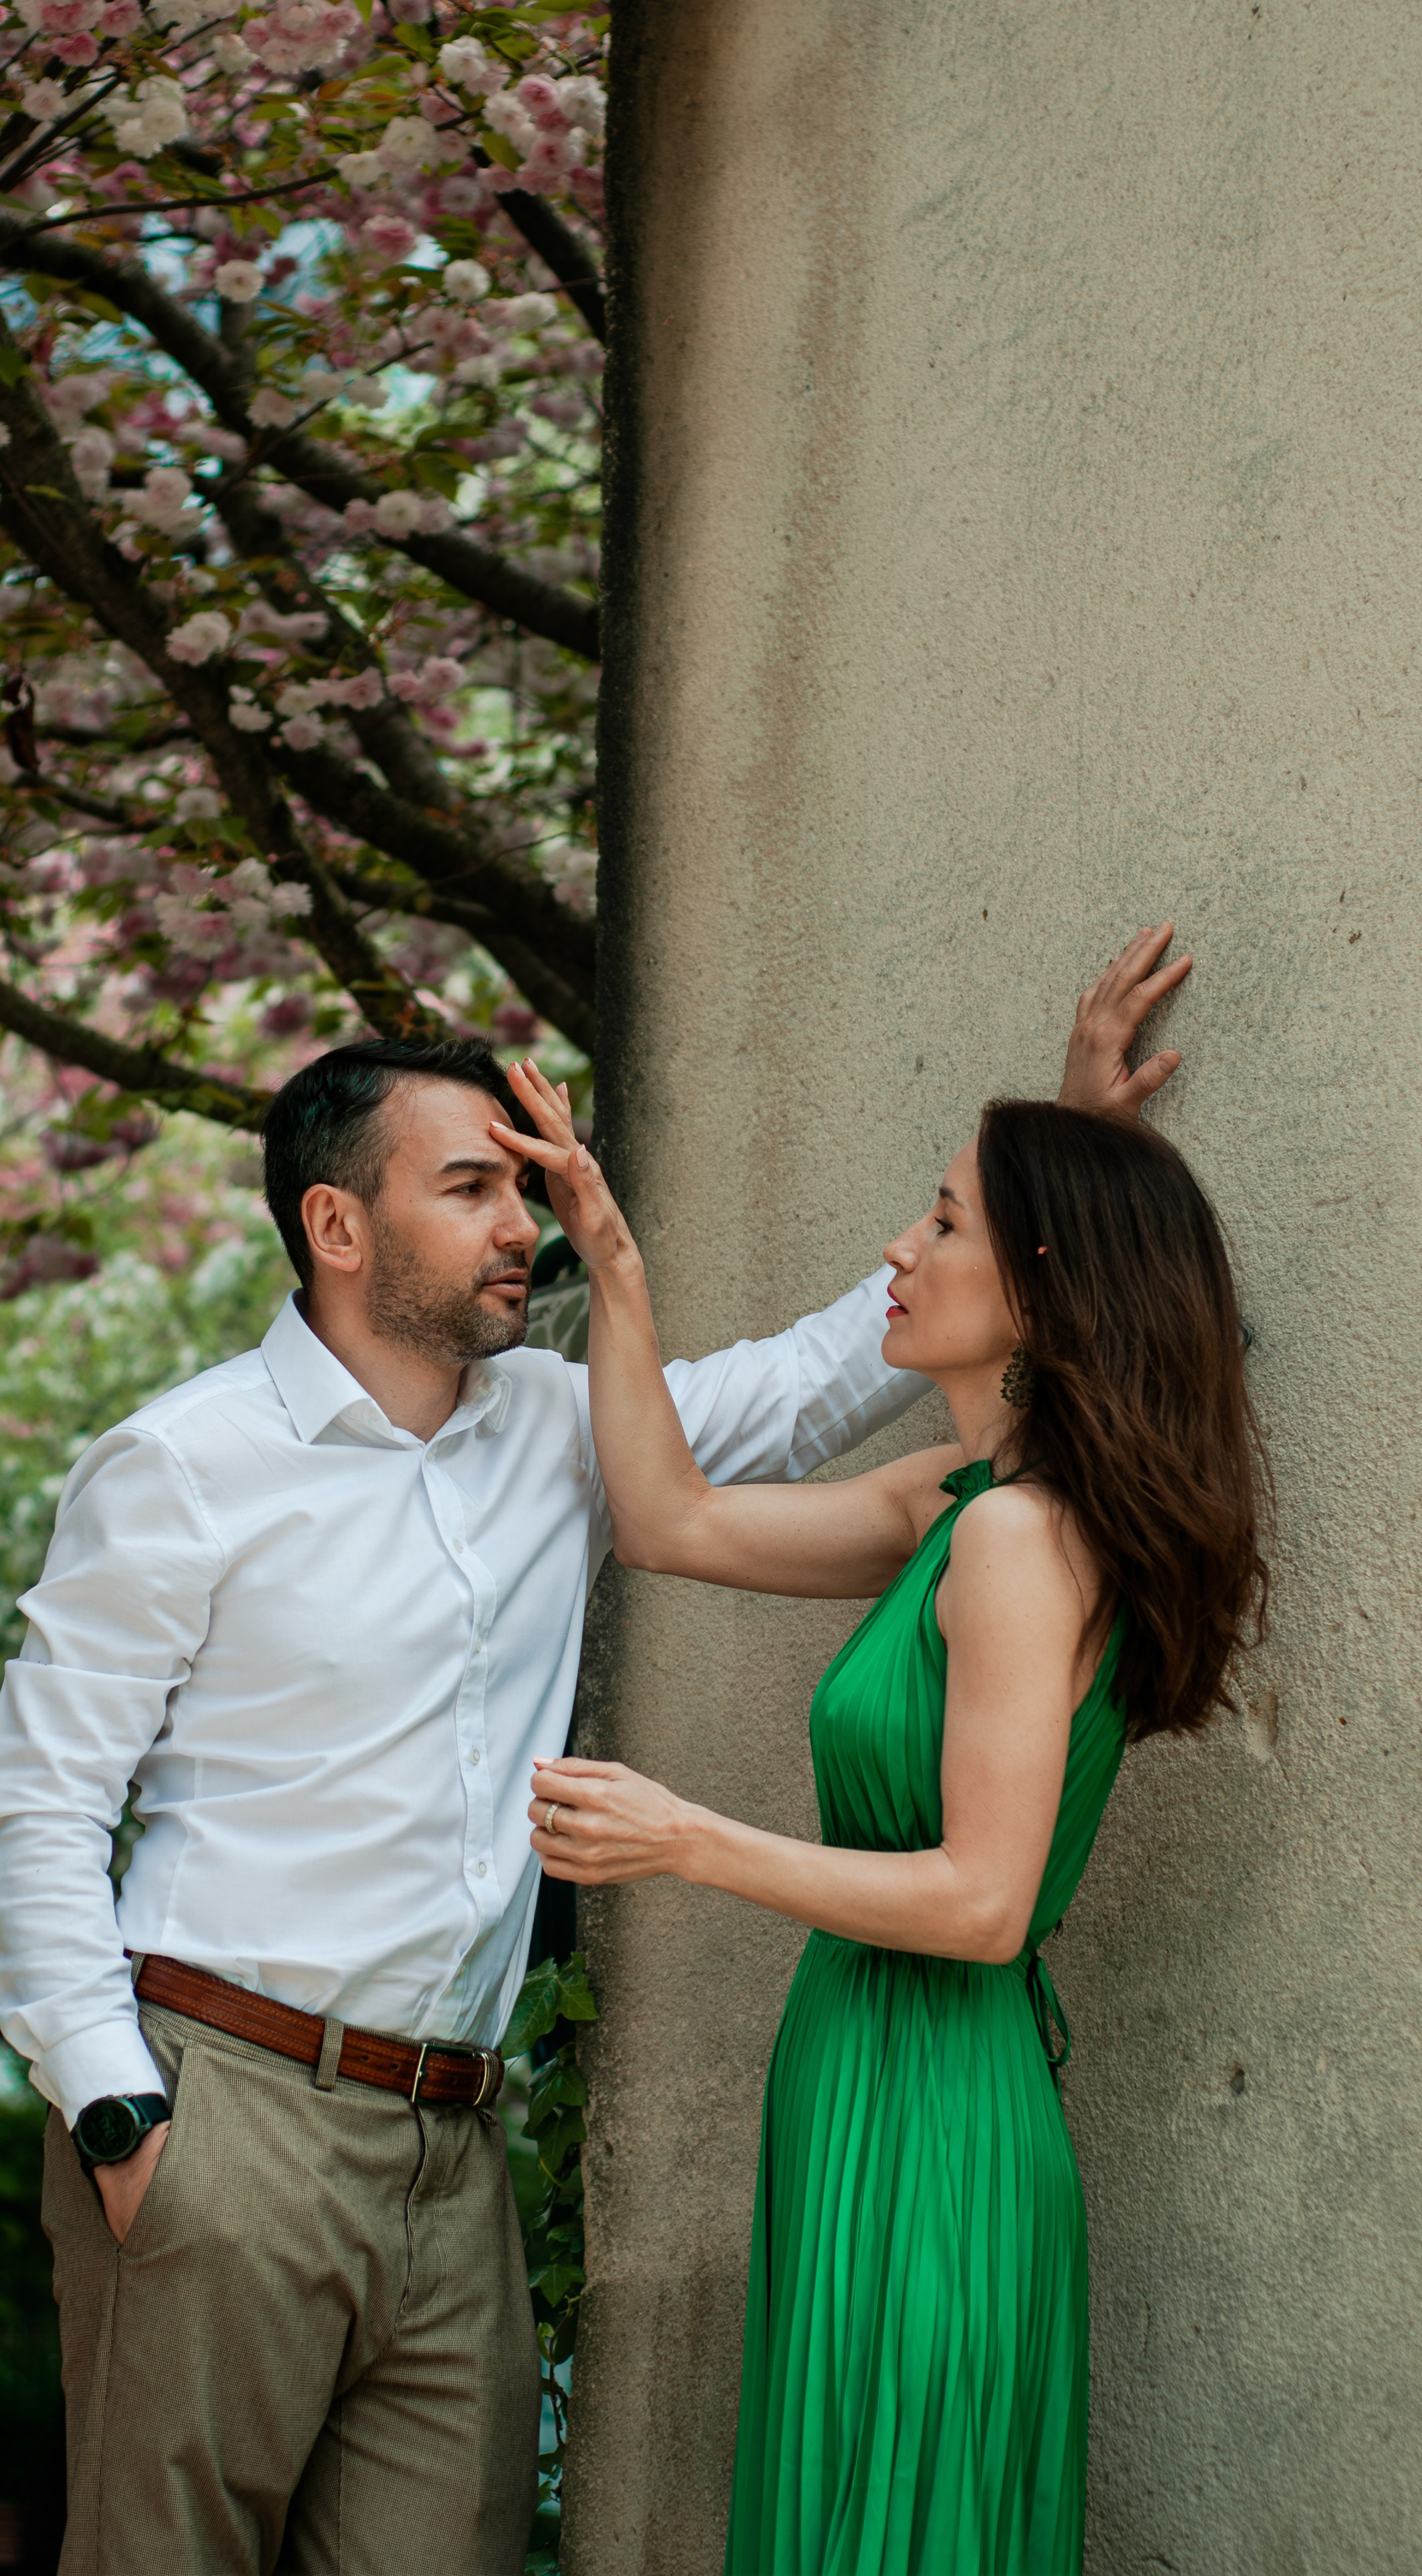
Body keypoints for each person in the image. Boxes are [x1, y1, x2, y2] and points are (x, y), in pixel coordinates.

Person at [0, 928, 1191, 2576]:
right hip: (224, 2104)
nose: (517, 1224)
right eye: (471, 1186)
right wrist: (119, 2116)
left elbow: (823, 1382)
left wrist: (1060, 1166)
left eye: (521, 1188)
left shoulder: (556, 1428)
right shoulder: (181, 1464)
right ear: (336, 1225)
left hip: (451, 2144)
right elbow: (39, 1806)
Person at [503, 1053, 1268, 2576]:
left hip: (929, 2091)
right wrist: (611, 1253)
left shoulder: (1011, 1542)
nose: (894, 1256)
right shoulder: (955, 1501)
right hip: (862, 2063)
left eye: (938, 1223)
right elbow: (668, 1516)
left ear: (1044, 1292)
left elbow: (984, 1904)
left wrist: (684, 1837)